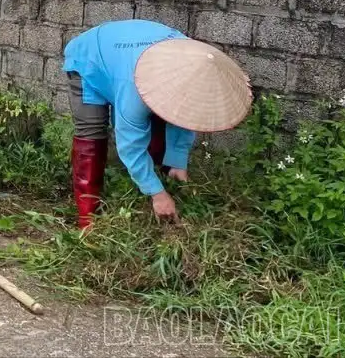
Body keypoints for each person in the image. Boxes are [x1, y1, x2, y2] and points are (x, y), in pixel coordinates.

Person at [63, 19, 252, 229]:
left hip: (124, 56)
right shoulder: (133, 87)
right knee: (92, 131)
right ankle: (87, 220)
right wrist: (158, 194)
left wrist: (178, 161)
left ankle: (147, 190)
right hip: (90, 58)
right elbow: (130, 145)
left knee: (159, 124)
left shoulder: (196, 63)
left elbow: (185, 114)